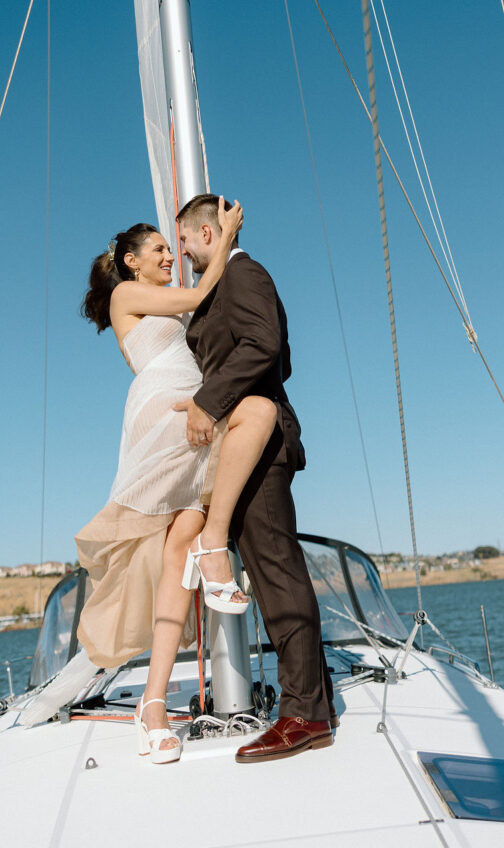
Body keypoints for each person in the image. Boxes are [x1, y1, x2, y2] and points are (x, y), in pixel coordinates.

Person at [20, 198, 277, 763]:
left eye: (171, 246)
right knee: (248, 426)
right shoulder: (126, 295)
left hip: (196, 405)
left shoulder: (158, 298)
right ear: (131, 261)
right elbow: (194, 296)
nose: (169, 255)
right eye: (160, 248)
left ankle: (153, 702)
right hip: (163, 412)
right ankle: (212, 559)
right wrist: (225, 237)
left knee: (176, 550)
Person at [176, 193, 336, 763]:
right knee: (273, 573)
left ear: (207, 233)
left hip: (260, 445)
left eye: (186, 240)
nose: (183, 251)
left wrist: (210, 399)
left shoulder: (244, 273)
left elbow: (268, 348)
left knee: (276, 572)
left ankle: (304, 714)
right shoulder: (223, 284)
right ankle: (315, 702)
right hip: (241, 442)